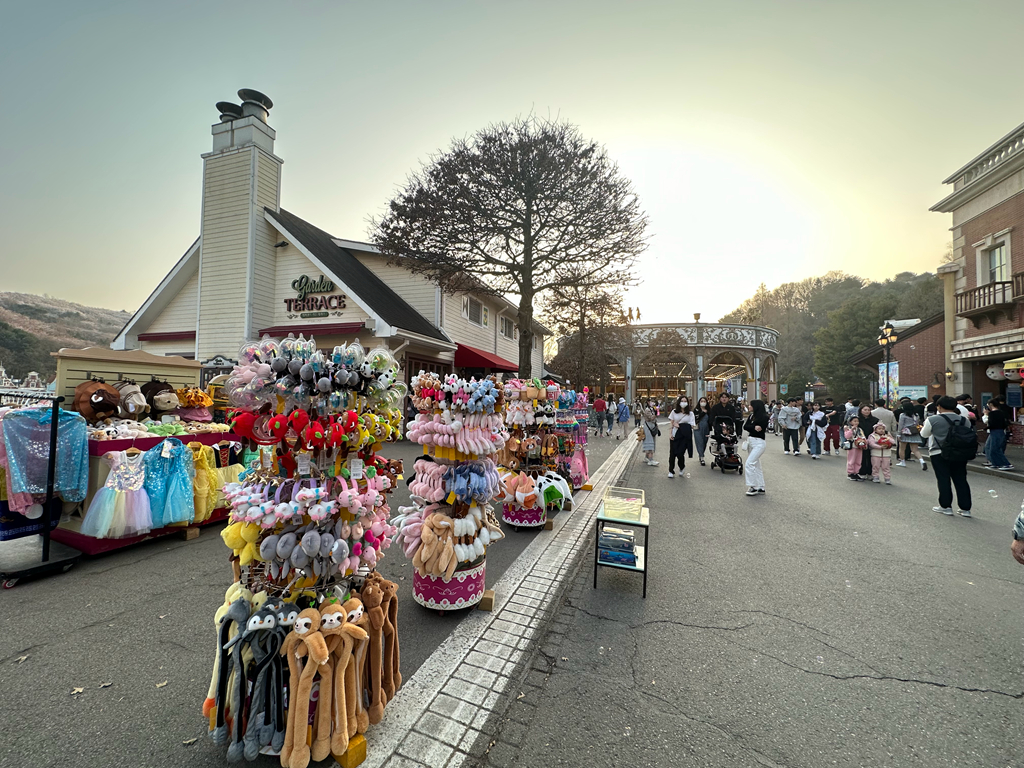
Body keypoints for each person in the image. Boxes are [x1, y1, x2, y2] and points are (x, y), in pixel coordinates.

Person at [921, 395, 973, 517]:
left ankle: (946, 506)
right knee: (961, 479)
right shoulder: (964, 420)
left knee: (943, 479)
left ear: (939, 406)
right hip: (960, 453)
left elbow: (924, 434)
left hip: (938, 452)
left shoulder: (933, 420)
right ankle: (965, 509)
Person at [743, 399, 769, 496]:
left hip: (759, 442)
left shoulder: (764, 417)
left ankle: (753, 486)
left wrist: (752, 427)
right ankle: (761, 486)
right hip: (751, 441)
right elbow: (745, 427)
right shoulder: (751, 416)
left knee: (749, 463)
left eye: (751, 405)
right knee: (756, 465)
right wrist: (753, 427)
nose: (749, 406)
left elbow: (759, 429)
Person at [667, 396, 695, 478]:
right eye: (682, 401)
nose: (683, 402)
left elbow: (692, 426)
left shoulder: (690, 414)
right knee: (672, 453)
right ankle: (671, 470)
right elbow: (671, 423)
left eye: (685, 401)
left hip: (684, 436)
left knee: (680, 453)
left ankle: (682, 467)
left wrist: (681, 426)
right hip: (675, 435)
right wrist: (670, 434)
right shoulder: (674, 412)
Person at [982, 400, 1014, 471]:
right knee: (990, 447)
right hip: (1001, 431)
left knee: (995, 449)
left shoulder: (992, 414)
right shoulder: (1001, 412)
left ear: (991, 405)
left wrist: (986, 417)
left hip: (995, 431)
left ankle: (1006, 464)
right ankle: (995, 463)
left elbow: (991, 423)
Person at [896, 400, 927, 470]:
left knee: (902, 448)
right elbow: (917, 424)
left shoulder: (902, 415)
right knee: (915, 450)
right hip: (914, 433)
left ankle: (902, 461)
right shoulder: (916, 415)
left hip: (905, 433)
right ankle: (922, 461)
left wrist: (898, 434)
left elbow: (900, 425)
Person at [856, 404, 878, 478]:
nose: (867, 411)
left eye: (868, 410)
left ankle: (870, 473)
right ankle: (862, 472)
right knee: (861, 457)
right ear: (861, 410)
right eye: (865, 410)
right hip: (860, 440)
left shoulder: (875, 420)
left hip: (871, 440)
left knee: (870, 457)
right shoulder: (857, 419)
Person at [844, 416, 866, 481]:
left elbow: (863, 436)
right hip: (852, 446)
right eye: (854, 421)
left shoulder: (860, 429)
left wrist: (864, 442)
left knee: (858, 460)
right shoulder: (847, 428)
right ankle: (850, 473)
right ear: (850, 422)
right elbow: (847, 436)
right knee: (851, 460)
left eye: (857, 421)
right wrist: (851, 430)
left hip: (859, 446)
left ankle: (856, 472)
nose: (856, 422)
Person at [693, 397, 712, 467]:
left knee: (704, 442)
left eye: (704, 401)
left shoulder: (709, 410)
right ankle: (702, 457)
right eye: (702, 401)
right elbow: (695, 418)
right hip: (698, 428)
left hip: (706, 428)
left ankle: (701, 453)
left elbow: (711, 419)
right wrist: (703, 413)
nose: (703, 402)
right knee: (699, 442)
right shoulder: (696, 410)